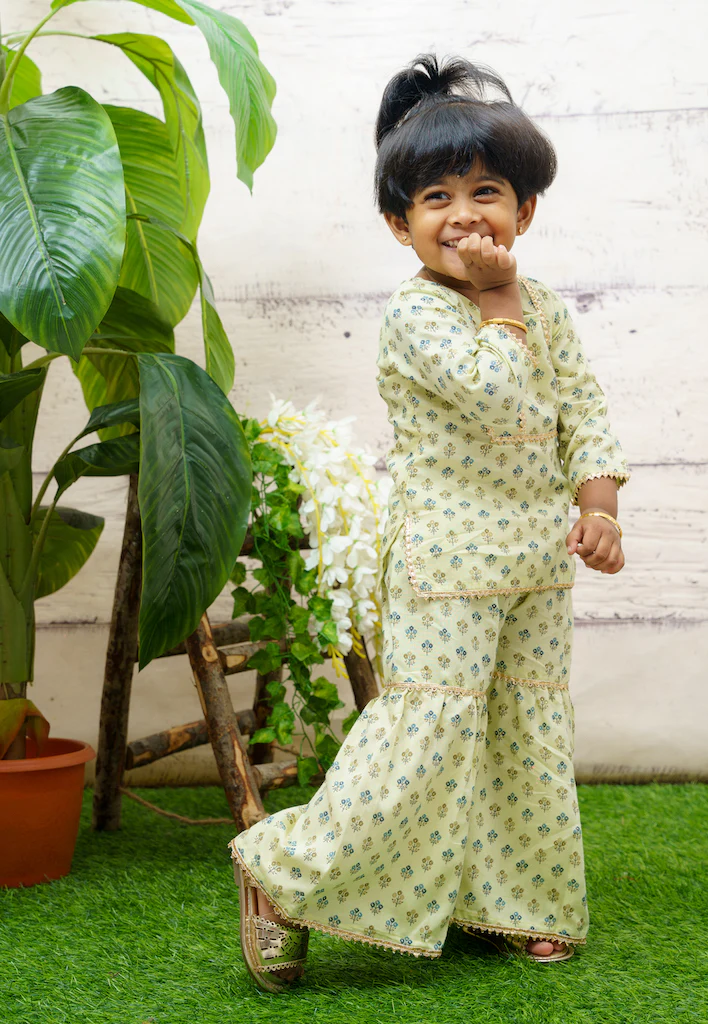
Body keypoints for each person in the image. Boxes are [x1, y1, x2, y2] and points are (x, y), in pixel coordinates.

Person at [229, 53, 631, 991]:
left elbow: (583, 409)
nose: (464, 215)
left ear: (525, 210)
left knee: (527, 731)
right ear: (398, 223)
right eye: (436, 197)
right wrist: (498, 296)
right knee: (426, 736)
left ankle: (520, 901)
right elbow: (494, 394)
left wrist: (599, 507)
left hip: (538, 561)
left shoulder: (545, 309)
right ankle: (282, 877)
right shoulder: (418, 315)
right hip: (445, 564)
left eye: (486, 192)